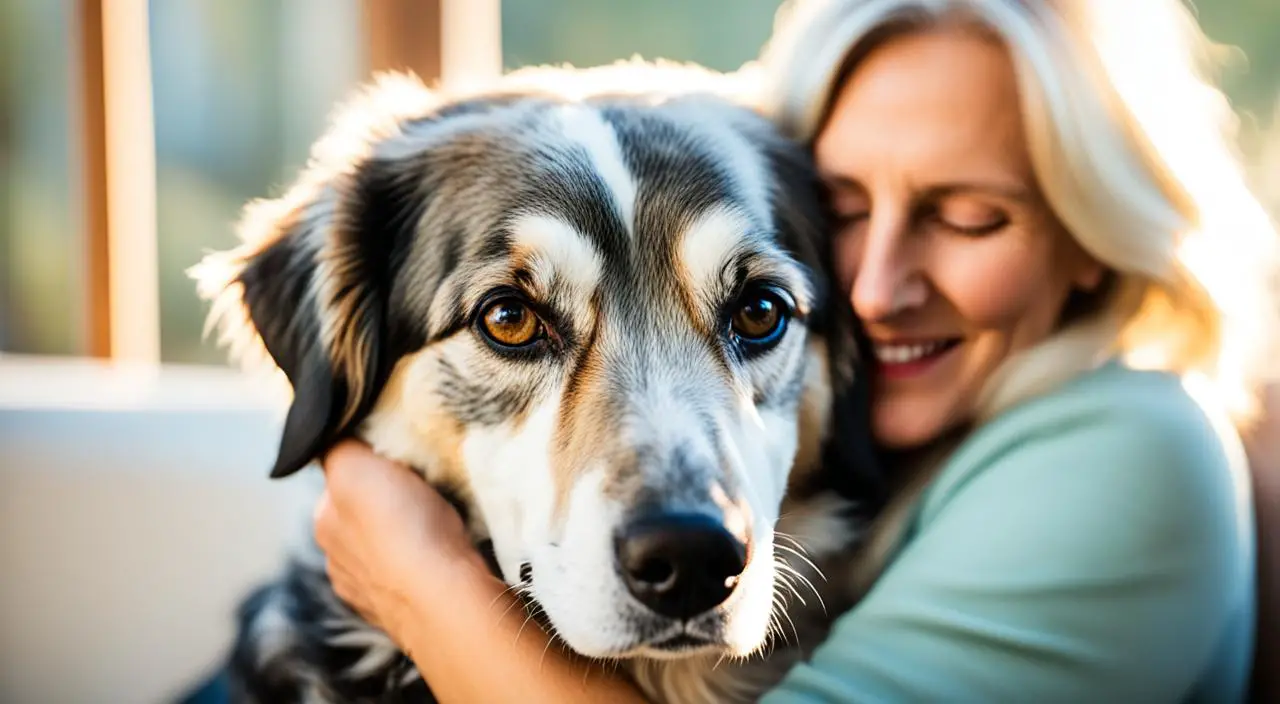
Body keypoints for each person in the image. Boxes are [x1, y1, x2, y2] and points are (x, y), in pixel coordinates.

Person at [312, 0, 1280, 701]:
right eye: (848, 208)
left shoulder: (1130, 449)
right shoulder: (895, 428)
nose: (869, 290)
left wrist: (418, 579)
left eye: (968, 215)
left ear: (1086, 236)